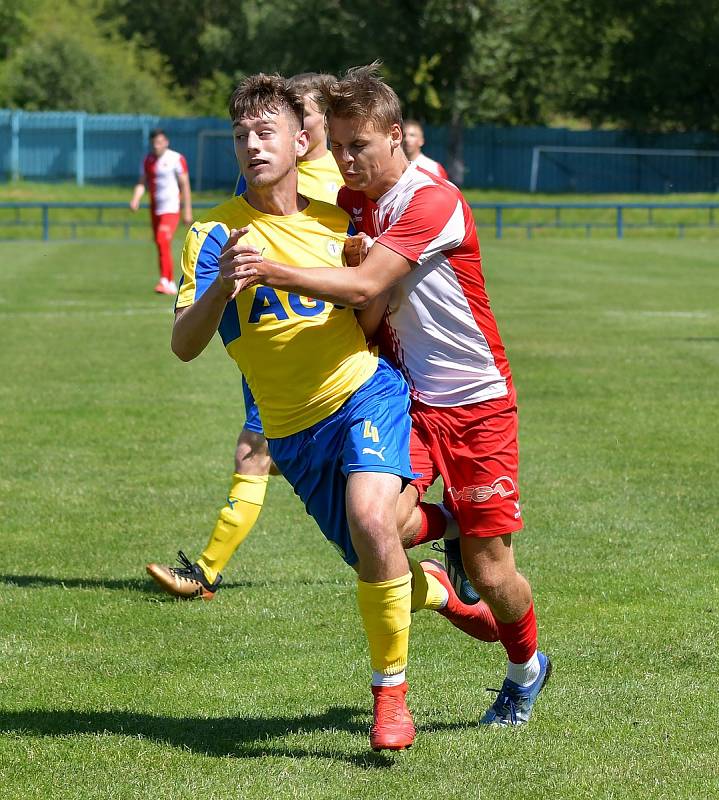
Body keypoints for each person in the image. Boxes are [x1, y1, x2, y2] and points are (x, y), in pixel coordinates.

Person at [166, 73, 497, 752]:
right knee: (377, 559)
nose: (252, 145)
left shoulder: (339, 220)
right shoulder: (212, 235)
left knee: (374, 520)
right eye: (240, 135)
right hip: (290, 432)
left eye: (265, 131)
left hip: (362, 394)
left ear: (298, 138)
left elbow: (374, 298)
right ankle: (444, 578)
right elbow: (184, 346)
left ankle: (390, 703)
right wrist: (221, 288)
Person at [226, 64, 551, 728]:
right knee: (379, 527)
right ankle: (459, 523)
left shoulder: (432, 201)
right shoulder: (355, 206)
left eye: (360, 147)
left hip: (476, 403)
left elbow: (363, 285)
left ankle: (524, 671)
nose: (346, 160)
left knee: (492, 577)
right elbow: (369, 310)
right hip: (408, 400)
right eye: (337, 145)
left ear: (396, 137)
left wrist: (273, 268)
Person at [146, 73, 344, 600]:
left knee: (261, 456)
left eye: (305, 109)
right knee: (262, 456)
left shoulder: (344, 184)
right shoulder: (250, 191)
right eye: (242, 134)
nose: (254, 144)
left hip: (342, 363)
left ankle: (206, 570)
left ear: (310, 126)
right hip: (270, 355)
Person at [129, 129, 193, 295]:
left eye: (160, 142)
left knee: (162, 239)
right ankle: (169, 282)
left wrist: (187, 210)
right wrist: (136, 198)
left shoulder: (176, 159)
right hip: (155, 208)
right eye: (154, 143)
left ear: (166, 142)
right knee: (160, 243)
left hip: (171, 208)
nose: (156, 146)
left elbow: (185, 185)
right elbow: (142, 182)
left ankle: (165, 280)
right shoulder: (148, 160)